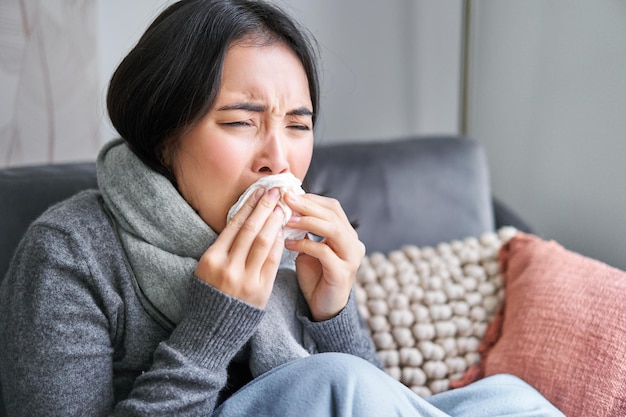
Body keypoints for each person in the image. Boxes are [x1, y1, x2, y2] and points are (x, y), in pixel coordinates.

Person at [0, 1, 564, 416]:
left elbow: (380, 400)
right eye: (242, 122)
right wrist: (212, 327)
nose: (279, 158)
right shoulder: (68, 253)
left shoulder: (297, 245)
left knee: (510, 400)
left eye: (298, 125)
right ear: (163, 128)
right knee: (336, 384)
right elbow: (345, 395)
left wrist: (333, 312)